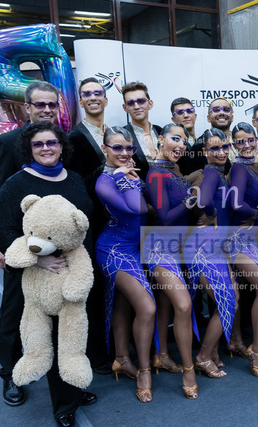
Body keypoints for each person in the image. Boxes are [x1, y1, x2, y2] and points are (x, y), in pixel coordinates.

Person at [0, 121, 96, 425]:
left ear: (62, 146)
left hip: (74, 270)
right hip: (40, 276)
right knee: (49, 335)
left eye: (51, 142)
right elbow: (5, 233)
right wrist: (39, 261)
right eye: (38, 144)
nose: (46, 148)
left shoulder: (74, 179)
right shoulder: (16, 184)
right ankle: (64, 406)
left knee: (73, 334)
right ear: (29, 149)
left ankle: (73, 388)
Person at [0, 80, 61, 408]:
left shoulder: (59, 141)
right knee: (14, 310)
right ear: (27, 107)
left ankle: (61, 380)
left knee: (56, 313)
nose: (46, 109)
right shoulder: (6, 143)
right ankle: (9, 373)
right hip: (19, 243)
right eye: (39, 104)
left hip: (57, 246)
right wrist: (0, 245)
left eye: (51, 104)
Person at [95, 126, 156, 403]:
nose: (124, 152)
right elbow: (138, 208)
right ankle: (144, 371)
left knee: (122, 304)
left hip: (133, 248)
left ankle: (121, 358)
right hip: (113, 250)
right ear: (104, 148)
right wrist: (124, 177)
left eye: (129, 148)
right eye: (117, 147)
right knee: (147, 307)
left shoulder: (128, 173)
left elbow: (148, 205)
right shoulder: (104, 181)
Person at [145, 123, 200, 399]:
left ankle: (162, 355)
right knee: (183, 304)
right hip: (159, 249)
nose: (180, 145)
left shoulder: (173, 168)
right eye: (175, 139)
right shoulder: (156, 173)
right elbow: (164, 217)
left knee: (166, 302)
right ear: (160, 139)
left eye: (184, 141)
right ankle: (189, 371)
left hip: (177, 247)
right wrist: (192, 198)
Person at [184, 128, 237, 379]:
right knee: (227, 300)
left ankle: (212, 351)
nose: (221, 152)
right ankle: (203, 357)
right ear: (205, 151)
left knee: (229, 299)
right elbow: (203, 200)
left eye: (225, 146)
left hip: (214, 247)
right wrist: (212, 213)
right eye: (215, 148)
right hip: (203, 248)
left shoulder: (214, 173)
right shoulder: (212, 173)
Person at [67, 77, 111, 375]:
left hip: (122, 220)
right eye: (87, 94)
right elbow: (76, 184)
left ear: (105, 100)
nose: (93, 97)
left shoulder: (115, 132)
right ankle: (99, 353)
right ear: (81, 101)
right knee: (96, 289)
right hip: (94, 223)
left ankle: (119, 346)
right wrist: (107, 167)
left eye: (98, 93)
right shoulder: (74, 138)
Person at [225, 122, 258, 376]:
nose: (246, 145)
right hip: (236, 239)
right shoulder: (239, 168)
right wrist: (256, 213)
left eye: (250, 140)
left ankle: (237, 340)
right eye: (240, 142)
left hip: (249, 239)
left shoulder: (255, 167)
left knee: (242, 292)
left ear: (257, 140)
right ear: (234, 145)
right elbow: (235, 203)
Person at [121, 81, 162, 180]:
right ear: (125, 108)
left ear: (150, 104)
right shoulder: (122, 136)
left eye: (141, 101)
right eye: (130, 103)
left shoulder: (160, 130)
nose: (136, 107)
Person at [171, 97, 206, 174]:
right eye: (180, 112)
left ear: (195, 116)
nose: (186, 115)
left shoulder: (203, 141)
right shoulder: (172, 146)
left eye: (189, 111)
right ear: (173, 119)